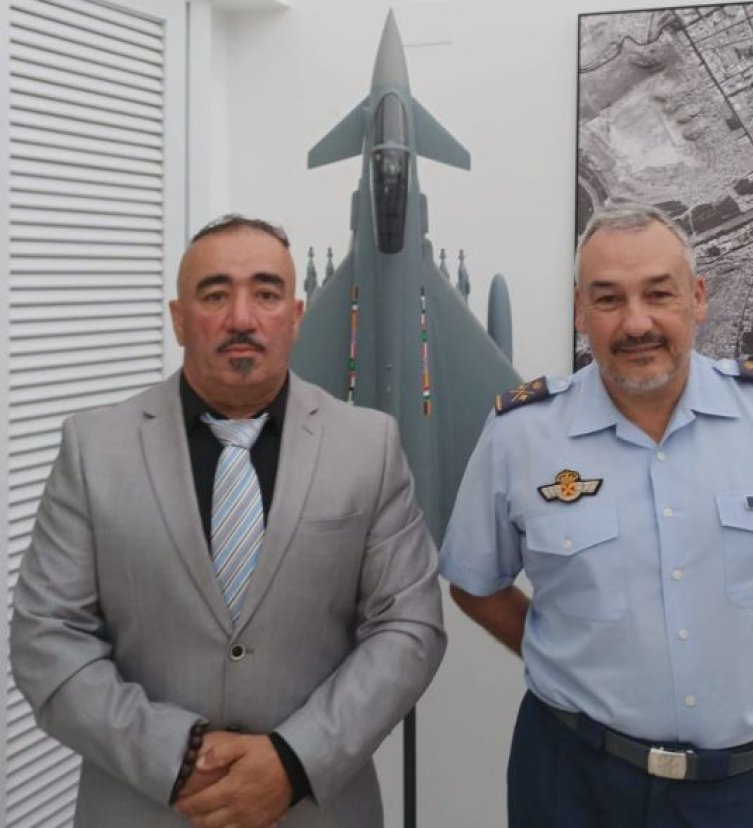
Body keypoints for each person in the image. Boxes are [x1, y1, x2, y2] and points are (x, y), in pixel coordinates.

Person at [440, 203, 753, 827]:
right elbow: (474, 583)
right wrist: (564, 656)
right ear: (580, 311)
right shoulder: (520, 434)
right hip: (574, 782)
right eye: (608, 299)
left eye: (659, 293)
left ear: (698, 298)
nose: (637, 323)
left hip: (746, 791)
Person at [11, 214, 445, 828]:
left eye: (266, 294)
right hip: (144, 806)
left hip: (314, 808)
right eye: (215, 295)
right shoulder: (94, 448)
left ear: (295, 316)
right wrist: (176, 759)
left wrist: (293, 761)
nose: (242, 318)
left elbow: (409, 625)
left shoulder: (368, 446)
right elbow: (46, 634)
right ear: (178, 317)